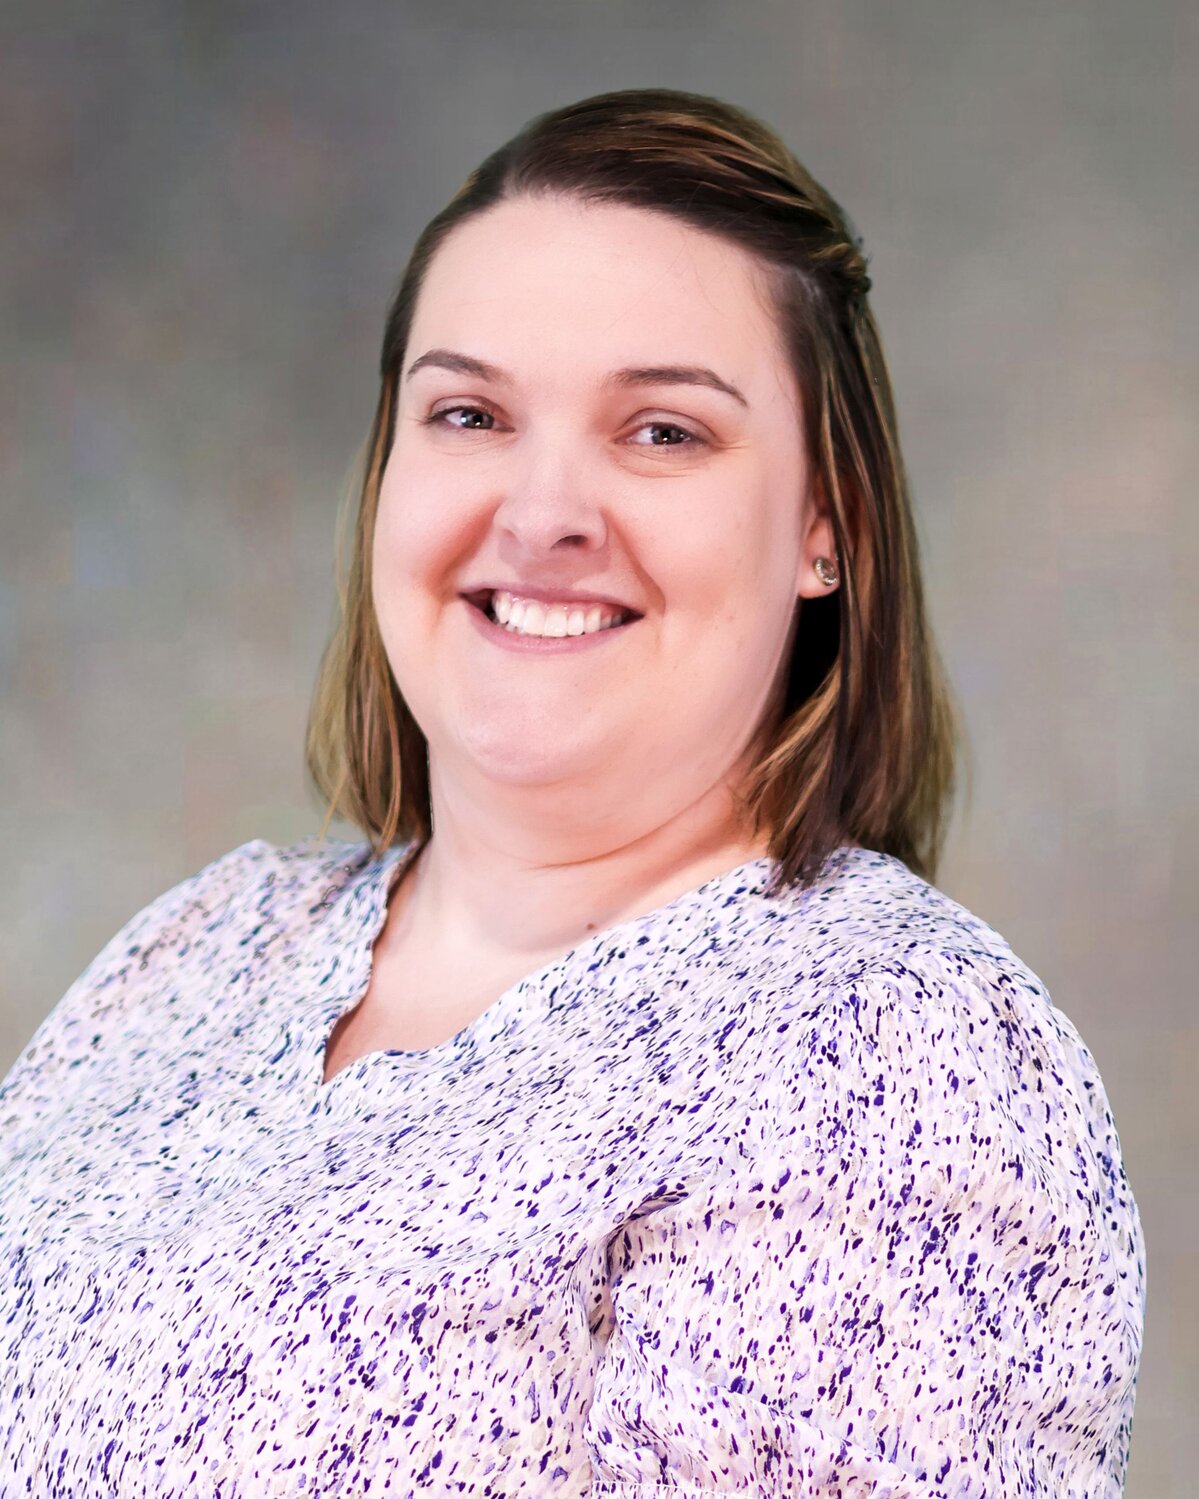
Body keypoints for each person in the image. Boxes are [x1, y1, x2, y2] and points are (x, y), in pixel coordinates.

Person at [0, 87, 1144, 1497]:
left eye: (662, 431)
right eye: (470, 413)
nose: (541, 514)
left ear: (823, 529)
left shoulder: (888, 1056)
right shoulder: (206, 945)